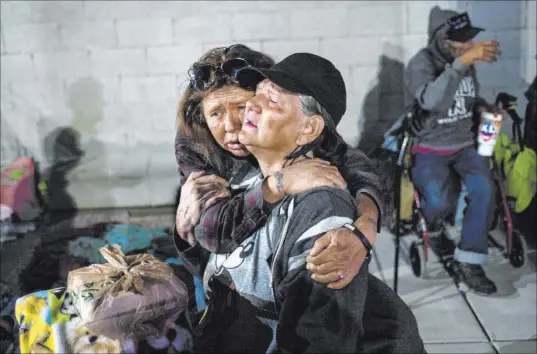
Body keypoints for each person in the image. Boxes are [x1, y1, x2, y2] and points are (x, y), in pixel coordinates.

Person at [181, 52, 423, 353]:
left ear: (307, 129)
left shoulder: (320, 209)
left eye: (270, 102)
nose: (247, 109)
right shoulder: (237, 172)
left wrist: (366, 222)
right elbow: (220, 258)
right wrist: (186, 233)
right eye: (256, 95)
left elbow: (316, 340)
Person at [175, 44, 387, 289]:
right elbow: (210, 231)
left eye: (242, 106)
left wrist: (365, 227)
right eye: (216, 114)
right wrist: (279, 183)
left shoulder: (319, 198)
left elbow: (355, 164)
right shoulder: (196, 142)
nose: (231, 126)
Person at [405, 7, 508, 295]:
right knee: (438, 202)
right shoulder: (421, 64)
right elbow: (431, 101)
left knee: (484, 190)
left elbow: (466, 98)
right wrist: (463, 61)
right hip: (430, 145)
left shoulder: (463, 62)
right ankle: (433, 227)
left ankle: (470, 259)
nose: (467, 45)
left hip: (464, 144)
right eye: (460, 40)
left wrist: (485, 108)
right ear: (440, 39)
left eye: (469, 39)